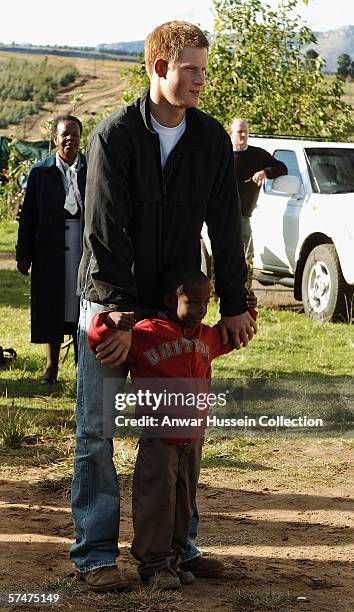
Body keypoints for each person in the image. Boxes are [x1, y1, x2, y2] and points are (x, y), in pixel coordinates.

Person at [72, 21, 257, 592]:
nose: (201, 81)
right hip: (112, 303)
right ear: (158, 68)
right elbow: (103, 232)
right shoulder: (113, 137)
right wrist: (120, 316)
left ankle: (180, 547)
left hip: (174, 310)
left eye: (204, 69)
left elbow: (227, 229)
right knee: (98, 429)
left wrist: (232, 303)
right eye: (190, 70)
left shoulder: (207, 142)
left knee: (176, 435)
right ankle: (97, 554)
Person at [87, 269, 257, 589]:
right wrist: (109, 321)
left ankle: (176, 559)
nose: (200, 310)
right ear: (170, 300)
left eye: (206, 302)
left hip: (193, 440)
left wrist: (247, 309)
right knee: (157, 502)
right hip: (159, 439)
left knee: (184, 501)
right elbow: (97, 337)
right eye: (192, 302)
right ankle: (153, 565)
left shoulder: (206, 337)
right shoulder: (147, 332)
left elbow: (230, 334)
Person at [16, 115, 86, 383]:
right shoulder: (40, 173)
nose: (70, 139)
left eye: (75, 134)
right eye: (64, 134)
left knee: (81, 307)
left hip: (82, 247)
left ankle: (83, 367)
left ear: (81, 138)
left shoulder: (91, 170)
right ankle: (51, 366)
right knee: (53, 305)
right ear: (55, 139)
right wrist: (24, 254)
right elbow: (29, 216)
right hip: (50, 247)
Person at [230, 118, 287, 284]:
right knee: (222, 254)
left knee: (246, 255)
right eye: (240, 131)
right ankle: (216, 293)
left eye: (246, 132)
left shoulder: (258, 155)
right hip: (222, 216)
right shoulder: (221, 153)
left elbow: (282, 168)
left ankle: (245, 291)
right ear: (230, 134)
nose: (243, 135)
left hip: (243, 216)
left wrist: (265, 172)